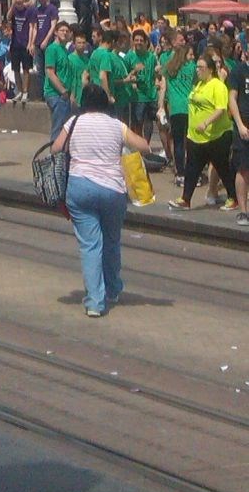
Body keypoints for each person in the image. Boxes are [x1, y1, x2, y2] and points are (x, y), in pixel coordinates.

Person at [53, 83, 150, 317]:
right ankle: (113, 289)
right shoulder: (117, 125)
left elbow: (56, 148)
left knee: (90, 245)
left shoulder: (73, 123)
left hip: (80, 188)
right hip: (112, 190)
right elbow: (144, 147)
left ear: (83, 103)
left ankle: (95, 302)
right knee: (111, 241)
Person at [169, 54, 238, 211]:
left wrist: (206, 122)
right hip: (196, 137)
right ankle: (185, 199)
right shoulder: (198, 85)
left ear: (210, 69)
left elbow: (221, 108)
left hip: (217, 136)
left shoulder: (217, 86)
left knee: (223, 168)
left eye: (201, 67)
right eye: (197, 67)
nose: (198, 70)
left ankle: (233, 197)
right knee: (192, 168)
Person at [157, 30, 195, 184]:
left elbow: (162, 86)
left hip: (175, 108)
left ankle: (180, 172)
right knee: (191, 142)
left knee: (178, 142)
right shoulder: (191, 66)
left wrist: (161, 106)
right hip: (191, 107)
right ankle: (192, 171)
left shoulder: (168, 67)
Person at [43, 19, 77, 139]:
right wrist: (62, 91)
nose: (65, 33)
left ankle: (61, 153)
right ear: (55, 33)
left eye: (67, 31)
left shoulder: (65, 50)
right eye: (62, 30)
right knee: (58, 128)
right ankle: (55, 154)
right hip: (55, 94)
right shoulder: (52, 49)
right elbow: (50, 72)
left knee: (65, 128)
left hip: (65, 94)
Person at [227, 48, 249, 227]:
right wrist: (240, 124)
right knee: (243, 169)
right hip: (244, 127)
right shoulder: (239, 70)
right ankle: (243, 211)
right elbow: (232, 98)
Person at [26, 0, 58, 97]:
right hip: (38, 43)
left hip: (48, 43)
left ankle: (50, 92)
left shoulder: (52, 9)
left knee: (49, 68)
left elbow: (53, 26)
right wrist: (31, 43)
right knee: (40, 70)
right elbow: (34, 28)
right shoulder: (36, 11)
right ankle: (42, 94)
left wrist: (46, 40)